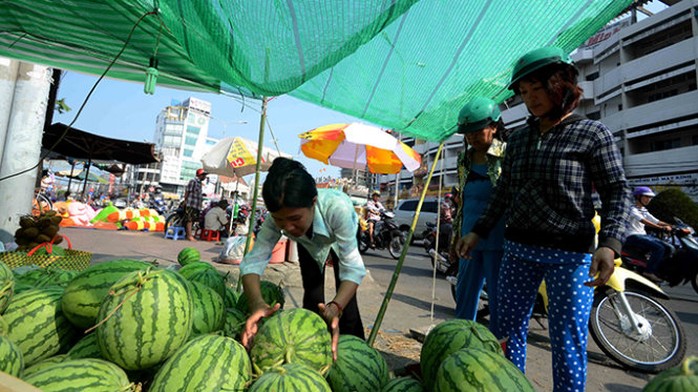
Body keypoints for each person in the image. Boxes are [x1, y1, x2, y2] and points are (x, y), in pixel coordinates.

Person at [456, 47, 628, 392]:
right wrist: (477, 231)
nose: (530, 99)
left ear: (560, 84)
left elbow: (616, 191)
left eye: (536, 89)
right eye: (523, 92)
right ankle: (511, 387)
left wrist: (609, 244)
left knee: (567, 339)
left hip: (570, 256)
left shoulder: (592, 134)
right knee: (507, 331)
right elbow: (503, 193)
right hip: (518, 250)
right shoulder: (518, 140)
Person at [239, 158, 367, 359]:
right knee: (313, 295)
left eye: (295, 219)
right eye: (280, 220)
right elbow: (252, 263)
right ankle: (311, 349)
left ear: (313, 203)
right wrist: (256, 304)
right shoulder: (276, 221)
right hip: (309, 242)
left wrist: (336, 307)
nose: (287, 227)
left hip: (341, 233)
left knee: (347, 306)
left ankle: (357, 354)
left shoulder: (337, 207)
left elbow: (353, 268)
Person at [450, 96, 507, 335]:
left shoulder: (506, 153)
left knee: (498, 301)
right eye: (468, 132)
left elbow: (505, 198)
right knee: (465, 297)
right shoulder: (464, 159)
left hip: (498, 239)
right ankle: (461, 343)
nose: (471, 136)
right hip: (467, 240)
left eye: (477, 130)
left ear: (494, 127)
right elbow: (462, 201)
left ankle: (496, 352)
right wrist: (455, 236)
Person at [625, 186, 672, 282]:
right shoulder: (632, 209)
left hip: (643, 235)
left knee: (669, 248)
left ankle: (656, 269)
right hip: (632, 236)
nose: (649, 199)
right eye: (646, 197)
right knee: (659, 248)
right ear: (638, 196)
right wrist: (661, 228)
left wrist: (673, 226)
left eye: (650, 197)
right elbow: (644, 221)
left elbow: (656, 221)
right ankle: (649, 271)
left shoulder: (644, 210)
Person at [183, 168, 207, 241]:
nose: (205, 177)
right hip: (191, 203)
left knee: (193, 220)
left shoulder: (199, 183)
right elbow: (187, 191)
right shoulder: (193, 181)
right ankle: (189, 236)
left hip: (196, 205)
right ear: (200, 175)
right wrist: (185, 201)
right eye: (204, 175)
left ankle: (189, 234)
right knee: (189, 220)